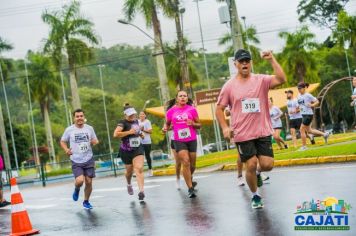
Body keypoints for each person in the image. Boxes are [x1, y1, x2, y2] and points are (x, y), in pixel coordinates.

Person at [216, 49, 286, 209]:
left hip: (262, 131)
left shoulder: (261, 80)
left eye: (247, 60)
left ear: (251, 63)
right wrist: (225, 128)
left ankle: (259, 173)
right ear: (235, 64)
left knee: (267, 164)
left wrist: (271, 59)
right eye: (241, 61)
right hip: (242, 134)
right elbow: (219, 109)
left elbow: (281, 79)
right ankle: (255, 196)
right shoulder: (229, 86)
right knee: (251, 164)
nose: (245, 63)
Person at [163, 91, 201, 198]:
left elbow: (199, 125)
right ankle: (190, 188)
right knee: (185, 161)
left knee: (193, 165)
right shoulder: (171, 111)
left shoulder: (192, 109)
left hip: (191, 139)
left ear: (187, 98)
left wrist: (193, 123)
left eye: (185, 96)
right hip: (179, 140)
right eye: (180, 96)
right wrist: (165, 128)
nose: (183, 98)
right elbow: (167, 124)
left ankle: (189, 177)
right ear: (177, 98)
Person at [60, 109, 99, 210]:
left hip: (88, 158)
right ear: (74, 118)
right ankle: (77, 189)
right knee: (80, 181)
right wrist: (66, 150)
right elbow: (63, 141)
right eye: (77, 116)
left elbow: (95, 140)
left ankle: (86, 201)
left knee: (89, 181)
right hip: (76, 159)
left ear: (84, 117)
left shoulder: (89, 128)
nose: (79, 118)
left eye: (81, 116)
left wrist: (94, 142)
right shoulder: (69, 130)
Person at [114, 104, 146, 201]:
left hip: (137, 148)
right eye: (130, 114)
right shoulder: (122, 123)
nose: (132, 116)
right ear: (125, 115)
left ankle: (141, 191)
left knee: (139, 168)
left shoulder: (136, 121)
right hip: (126, 150)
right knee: (129, 172)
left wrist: (141, 134)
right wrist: (129, 132)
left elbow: (137, 131)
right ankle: (129, 183)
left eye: (133, 114)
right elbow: (115, 134)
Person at [297, 82, 330, 151]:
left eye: (300, 88)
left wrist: (312, 105)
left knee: (301, 130)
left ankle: (304, 146)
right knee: (309, 131)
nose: (299, 90)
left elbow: (317, 101)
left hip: (308, 115)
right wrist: (298, 109)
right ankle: (324, 134)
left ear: (304, 88)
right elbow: (300, 105)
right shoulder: (298, 96)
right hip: (304, 115)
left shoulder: (308, 95)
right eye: (298, 88)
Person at [138, 111, 153, 177]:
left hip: (147, 142)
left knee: (147, 156)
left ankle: (150, 170)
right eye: (140, 114)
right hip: (139, 142)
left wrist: (143, 130)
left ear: (145, 115)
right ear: (139, 115)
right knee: (139, 156)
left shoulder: (147, 121)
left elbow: (150, 131)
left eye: (143, 114)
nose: (141, 115)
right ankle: (138, 171)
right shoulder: (137, 122)